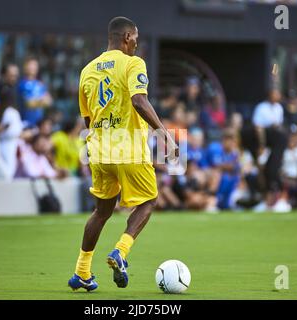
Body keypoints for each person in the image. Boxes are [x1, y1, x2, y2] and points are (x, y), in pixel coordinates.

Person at [68, 16, 178, 292]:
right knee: (149, 200)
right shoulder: (133, 63)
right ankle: (120, 251)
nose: (137, 42)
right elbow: (139, 100)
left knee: (101, 211)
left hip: (100, 151)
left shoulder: (87, 71)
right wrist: (164, 134)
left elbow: (87, 120)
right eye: (136, 38)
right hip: (128, 148)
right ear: (127, 37)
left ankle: (81, 272)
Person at [251, 89, 289, 212]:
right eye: (275, 93)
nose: (278, 96)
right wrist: (261, 145)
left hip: (275, 144)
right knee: (264, 171)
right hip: (263, 142)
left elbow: (279, 125)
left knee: (275, 171)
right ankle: (265, 200)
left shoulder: (279, 108)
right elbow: (258, 127)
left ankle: (277, 201)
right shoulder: (261, 108)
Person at [18, 57, 53, 127]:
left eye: (35, 66)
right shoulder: (22, 84)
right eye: (31, 66)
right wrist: (42, 100)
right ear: (25, 67)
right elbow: (28, 103)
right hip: (25, 124)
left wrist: (36, 101)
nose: (33, 68)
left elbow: (49, 102)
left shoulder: (39, 84)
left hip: (39, 125)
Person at [0, 92, 23, 179]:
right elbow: (5, 127)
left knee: (11, 164)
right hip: (5, 142)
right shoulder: (7, 111)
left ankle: (8, 180)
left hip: (12, 141)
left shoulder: (11, 111)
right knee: (7, 164)